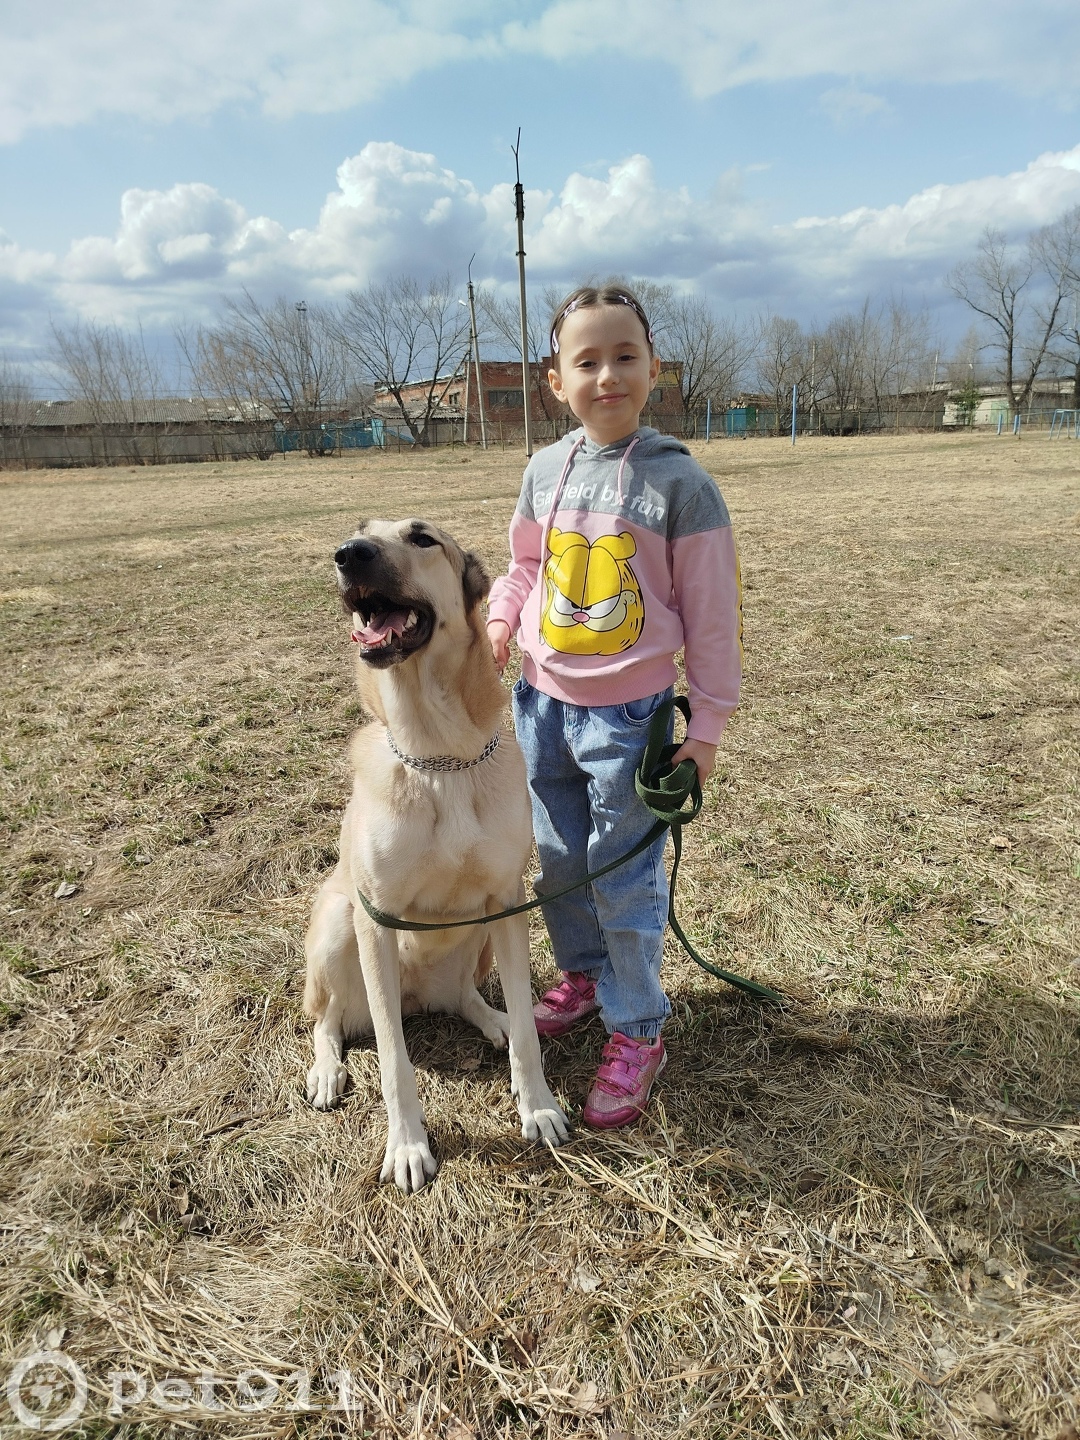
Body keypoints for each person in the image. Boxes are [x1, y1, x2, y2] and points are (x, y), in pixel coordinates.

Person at [486, 284, 742, 1128]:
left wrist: (703, 730)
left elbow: (710, 621)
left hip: (629, 721)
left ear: (653, 368)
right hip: (540, 707)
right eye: (585, 361)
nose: (606, 376)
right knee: (560, 863)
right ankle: (588, 976)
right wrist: (500, 615)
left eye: (623, 356)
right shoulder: (542, 470)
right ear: (555, 381)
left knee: (624, 875)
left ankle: (638, 1028)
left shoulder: (682, 486)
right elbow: (526, 566)